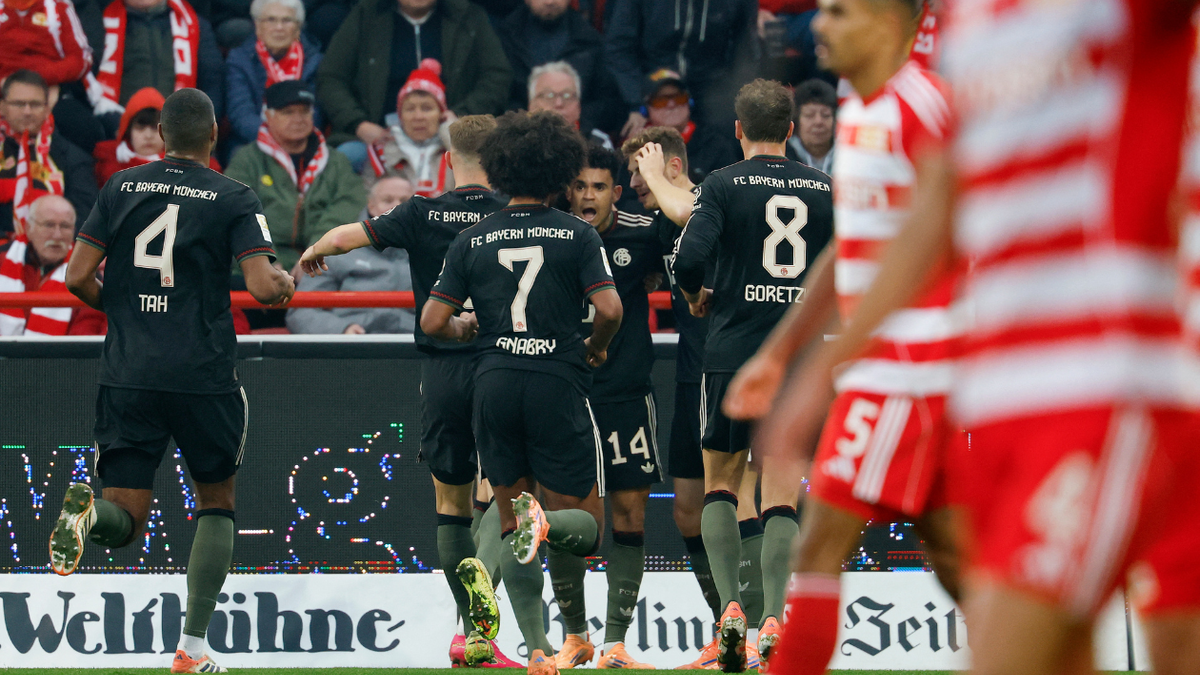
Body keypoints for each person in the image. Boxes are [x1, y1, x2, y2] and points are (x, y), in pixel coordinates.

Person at [753, 2, 1200, 675]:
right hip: (993, 392)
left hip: (1099, 373)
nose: (818, 24)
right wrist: (813, 370)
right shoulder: (965, 25)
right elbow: (937, 201)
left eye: (839, 10)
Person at [721, 2, 960, 672]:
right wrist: (777, 354)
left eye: (836, 10)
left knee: (820, 536)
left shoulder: (926, 107)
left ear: (888, 21)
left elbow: (956, 228)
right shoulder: (858, 112)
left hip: (915, 360)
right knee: (958, 556)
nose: (817, 26)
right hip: (887, 361)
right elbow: (847, 250)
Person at [50, 88, 294, 675]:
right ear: (214, 136)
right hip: (202, 376)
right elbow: (263, 289)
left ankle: (86, 518)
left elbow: (76, 277)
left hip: (128, 373)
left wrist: (129, 314)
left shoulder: (120, 186)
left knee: (124, 520)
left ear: (160, 135)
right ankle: (193, 648)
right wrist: (285, 284)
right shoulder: (232, 196)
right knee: (216, 503)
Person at [298, 115, 518, 668]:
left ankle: (462, 630)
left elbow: (349, 236)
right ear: (497, 162)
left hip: (442, 371)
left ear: (447, 161)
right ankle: (479, 633)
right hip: (502, 366)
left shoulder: (422, 211)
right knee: (505, 495)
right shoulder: (513, 213)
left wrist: (315, 250)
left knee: (450, 504)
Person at [420, 110, 622, 675]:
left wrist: (465, 328)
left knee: (510, 517)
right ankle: (548, 529)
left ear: (500, 169)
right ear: (559, 172)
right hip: (557, 381)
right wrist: (596, 346)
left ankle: (535, 650)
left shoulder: (472, 238)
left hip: (493, 383)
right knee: (582, 528)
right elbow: (609, 309)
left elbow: (434, 320)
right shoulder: (576, 233)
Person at [670, 78, 833, 672]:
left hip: (732, 354)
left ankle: (731, 613)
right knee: (783, 490)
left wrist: (694, 295)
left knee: (722, 482)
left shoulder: (721, 183)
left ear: (737, 129)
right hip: (797, 355)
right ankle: (774, 619)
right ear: (791, 130)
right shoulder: (824, 187)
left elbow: (688, 257)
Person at [622, 126, 734, 668]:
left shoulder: (713, 195)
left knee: (741, 502)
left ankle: (759, 624)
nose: (636, 190)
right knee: (689, 512)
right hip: (691, 378)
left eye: (642, 177)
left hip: (733, 372)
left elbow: (684, 210)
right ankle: (726, 629)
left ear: (670, 166)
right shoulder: (653, 230)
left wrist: (654, 179)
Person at [550, 144, 661, 670]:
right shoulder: (551, 233)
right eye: (580, 186)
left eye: (598, 187)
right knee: (571, 517)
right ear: (566, 190)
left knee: (630, 515)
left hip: (626, 395)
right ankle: (574, 635)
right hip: (566, 395)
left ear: (616, 192)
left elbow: (690, 260)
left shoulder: (644, 231)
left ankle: (614, 642)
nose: (588, 196)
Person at [315, 0, 511, 165]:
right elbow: (331, 77)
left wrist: (462, 115)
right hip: (379, 137)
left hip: (451, 137)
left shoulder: (468, 16)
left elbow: (497, 75)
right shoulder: (366, 15)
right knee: (346, 158)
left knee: (492, 162)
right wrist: (359, 124)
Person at [226, 80, 365, 273]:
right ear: (268, 116)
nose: (298, 119)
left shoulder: (335, 161)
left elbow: (349, 204)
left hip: (324, 261)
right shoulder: (247, 160)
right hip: (263, 261)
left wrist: (316, 251)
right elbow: (235, 214)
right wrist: (264, 261)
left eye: (305, 111)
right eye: (288, 112)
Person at [604, 0, 756, 140]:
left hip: (711, 90)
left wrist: (729, 99)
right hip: (649, 85)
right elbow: (619, 47)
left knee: (732, 133)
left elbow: (745, 51)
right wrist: (637, 102)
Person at [287, 177, 417, 334]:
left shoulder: (435, 252)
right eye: (387, 200)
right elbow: (300, 312)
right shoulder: (334, 251)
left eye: (404, 201)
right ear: (371, 206)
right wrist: (342, 329)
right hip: (352, 347)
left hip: (416, 345)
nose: (396, 206)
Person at [86, 0, 226, 126]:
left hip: (184, 134)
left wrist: (199, 127)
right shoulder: (98, 24)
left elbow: (212, 82)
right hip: (117, 131)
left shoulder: (195, 25)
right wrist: (115, 124)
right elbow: (86, 80)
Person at [0, 70, 96, 237]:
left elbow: (86, 221)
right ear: (2, 106)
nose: (27, 111)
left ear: (47, 108)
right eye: (19, 104)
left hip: (54, 253)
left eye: (35, 104)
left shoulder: (74, 159)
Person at [225, 0, 324, 155]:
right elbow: (240, 112)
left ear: (298, 28)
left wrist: (294, 136)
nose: (279, 27)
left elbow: (316, 112)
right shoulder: (239, 60)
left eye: (287, 20)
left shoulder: (314, 62)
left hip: (302, 138)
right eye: (271, 20)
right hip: (253, 140)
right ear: (257, 26)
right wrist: (273, 139)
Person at [499, 0, 616, 131]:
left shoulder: (590, 40)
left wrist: (578, 128)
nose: (549, 2)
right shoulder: (505, 39)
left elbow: (605, 99)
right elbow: (501, 95)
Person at [93, 88, 222, 187]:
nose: (148, 136)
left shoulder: (196, 168)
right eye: (140, 128)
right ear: (127, 132)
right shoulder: (107, 166)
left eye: (156, 128)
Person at [365, 59, 454, 197]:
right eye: (410, 109)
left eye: (427, 108)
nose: (418, 117)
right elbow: (370, 205)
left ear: (442, 115)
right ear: (400, 116)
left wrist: (453, 134)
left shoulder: (457, 153)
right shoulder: (381, 155)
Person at [639, 69, 739, 184]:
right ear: (645, 110)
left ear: (689, 102)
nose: (671, 105)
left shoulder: (716, 145)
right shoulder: (636, 149)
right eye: (661, 101)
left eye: (679, 98)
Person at [0, 195, 75, 335]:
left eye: (65, 226)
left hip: (57, 356)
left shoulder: (86, 273)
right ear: (28, 228)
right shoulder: (2, 260)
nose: (57, 235)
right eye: (49, 225)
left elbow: (86, 332)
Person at [528, 62, 614, 150]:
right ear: (531, 106)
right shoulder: (516, 143)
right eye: (549, 95)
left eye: (567, 95)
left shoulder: (599, 143)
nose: (559, 103)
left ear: (578, 106)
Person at [785, 78, 835, 173]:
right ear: (796, 120)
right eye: (809, 115)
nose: (818, 122)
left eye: (825, 115)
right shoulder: (782, 156)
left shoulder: (849, 155)